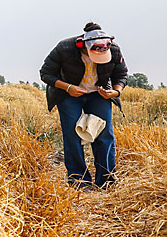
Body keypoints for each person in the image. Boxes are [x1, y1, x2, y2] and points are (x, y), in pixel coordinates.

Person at [39, 23, 127, 189]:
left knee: (104, 134)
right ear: (83, 46)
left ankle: (106, 181)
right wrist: (68, 87)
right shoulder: (64, 48)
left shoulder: (114, 50)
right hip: (69, 93)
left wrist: (115, 92)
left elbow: (121, 75)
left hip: (98, 94)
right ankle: (79, 181)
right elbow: (45, 73)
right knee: (73, 134)